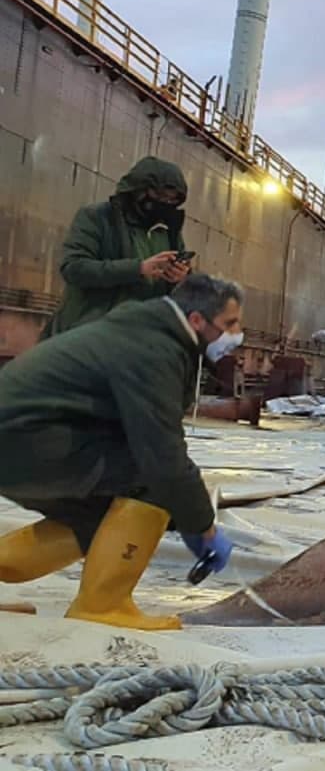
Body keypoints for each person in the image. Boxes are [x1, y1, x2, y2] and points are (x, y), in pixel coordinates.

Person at [0, 273, 242, 630]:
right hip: (26, 438)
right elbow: (164, 458)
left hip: (20, 437)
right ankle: (102, 605)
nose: (238, 335)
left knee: (101, 516)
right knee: (153, 484)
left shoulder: (146, 332)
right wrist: (202, 526)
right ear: (196, 321)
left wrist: (187, 517)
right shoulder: (154, 349)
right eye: (230, 324)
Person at [42, 156, 193, 338]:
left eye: (171, 201)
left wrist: (180, 278)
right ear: (138, 191)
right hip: (86, 337)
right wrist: (138, 269)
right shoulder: (97, 218)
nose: (165, 204)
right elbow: (73, 268)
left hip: (137, 340)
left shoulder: (168, 231)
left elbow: (177, 295)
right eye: (160, 197)